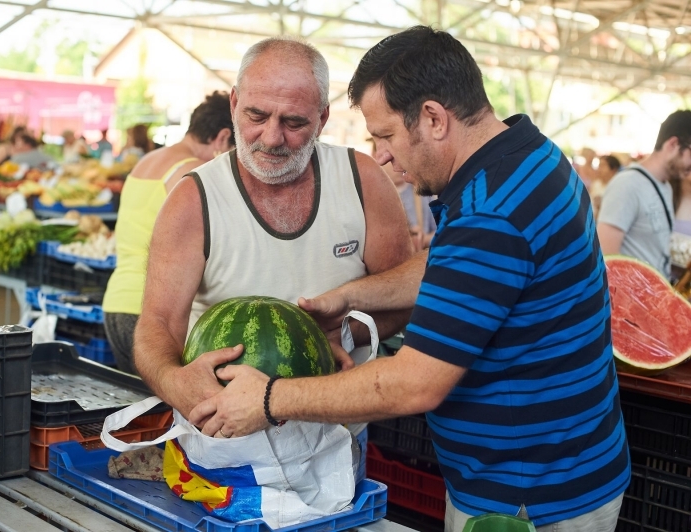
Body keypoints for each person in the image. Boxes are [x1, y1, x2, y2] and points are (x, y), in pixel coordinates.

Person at [188, 26, 630, 531]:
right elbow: (452, 266)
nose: (381, 156)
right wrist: (349, 296)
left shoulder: (491, 215)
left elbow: (415, 386)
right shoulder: (527, 156)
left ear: (434, 118)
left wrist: (270, 399)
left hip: (528, 495)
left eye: (386, 135)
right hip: (571, 463)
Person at [132, 36, 412, 423]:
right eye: (256, 116)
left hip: (332, 437)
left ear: (323, 119)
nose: (272, 138)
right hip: (225, 441)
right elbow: (158, 324)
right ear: (234, 104)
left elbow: (401, 297)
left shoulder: (362, 180)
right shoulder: (193, 200)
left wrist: (342, 335)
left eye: (294, 122)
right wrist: (172, 379)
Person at [102, 92, 235, 374]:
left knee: (139, 413)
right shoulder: (193, 173)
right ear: (223, 137)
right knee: (163, 413)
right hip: (154, 315)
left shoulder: (147, 160)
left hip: (116, 302)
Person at [598, 110, 691, 277]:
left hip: (654, 298)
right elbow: (606, 260)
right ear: (673, 144)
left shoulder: (666, 187)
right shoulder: (627, 184)